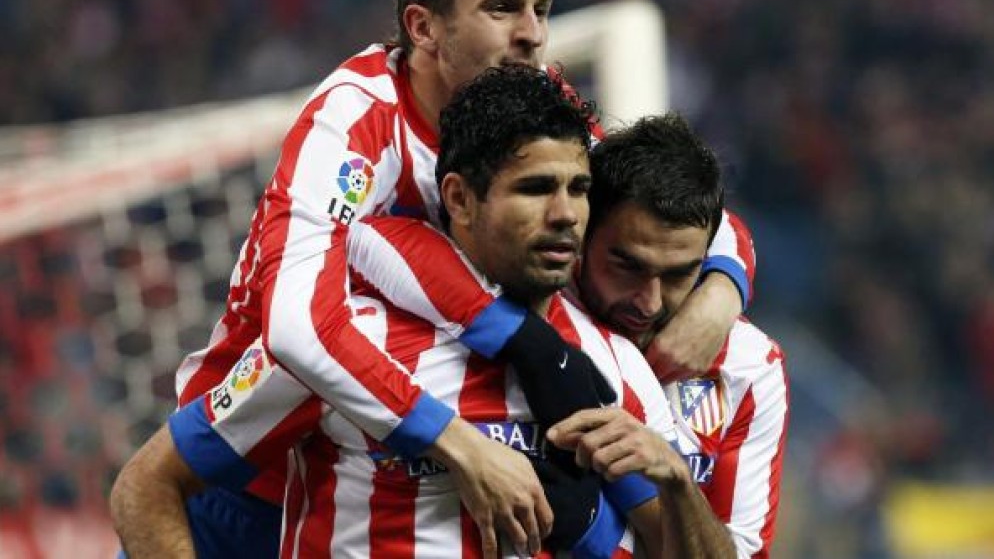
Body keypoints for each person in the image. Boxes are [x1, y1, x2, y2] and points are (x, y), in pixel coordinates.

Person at [158, 0, 756, 558]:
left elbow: (668, 204)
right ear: (422, 28)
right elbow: (298, 324)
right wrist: (455, 440)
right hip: (251, 474)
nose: (531, 32)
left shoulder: (539, 110)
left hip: (420, 469)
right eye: (501, 8)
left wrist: (721, 292)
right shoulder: (355, 122)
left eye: (541, 9)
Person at [111, 65, 679, 558]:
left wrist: (633, 508)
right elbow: (146, 488)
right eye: (534, 189)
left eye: (579, 189)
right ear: (458, 198)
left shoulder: (615, 368)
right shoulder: (344, 342)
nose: (564, 213)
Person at [357, 114, 787, 558]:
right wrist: (532, 345)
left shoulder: (749, 368)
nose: (649, 302)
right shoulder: (534, 292)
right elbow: (367, 238)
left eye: (680, 275)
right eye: (627, 265)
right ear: (583, 230)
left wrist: (627, 510)